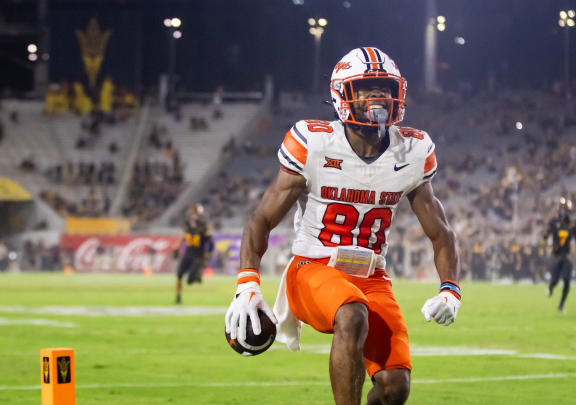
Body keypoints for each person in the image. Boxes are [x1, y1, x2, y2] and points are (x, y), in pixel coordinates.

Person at [224, 47, 460, 405]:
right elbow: (262, 218)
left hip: (372, 275)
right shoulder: (314, 142)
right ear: (341, 94)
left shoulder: (410, 151)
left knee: (394, 388)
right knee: (352, 314)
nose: (378, 96)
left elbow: (441, 231)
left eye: (384, 87)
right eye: (366, 87)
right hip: (312, 268)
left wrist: (450, 289)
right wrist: (247, 283)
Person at [544, 197, 576, 313]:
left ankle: (561, 305)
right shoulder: (553, 222)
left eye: (565, 209)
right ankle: (550, 287)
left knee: (566, 280)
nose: (563, 211)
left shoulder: (572, 224)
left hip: (566, 256)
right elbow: (545, 235)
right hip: (556, 256)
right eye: (562, 208)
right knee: (554, 281)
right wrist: (548, 244)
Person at [174, 203, 212, 304]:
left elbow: (210, 242)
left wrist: (206, 257)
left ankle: (198, 273)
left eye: (195, 213)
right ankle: (178, 296)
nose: (193, 216)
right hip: (188, 253)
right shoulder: (186, 226)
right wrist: (176, 248)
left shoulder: (204, 227)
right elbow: (182, 237)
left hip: (198, 256)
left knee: (190, 280)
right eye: (192, 213)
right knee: (179, 275)